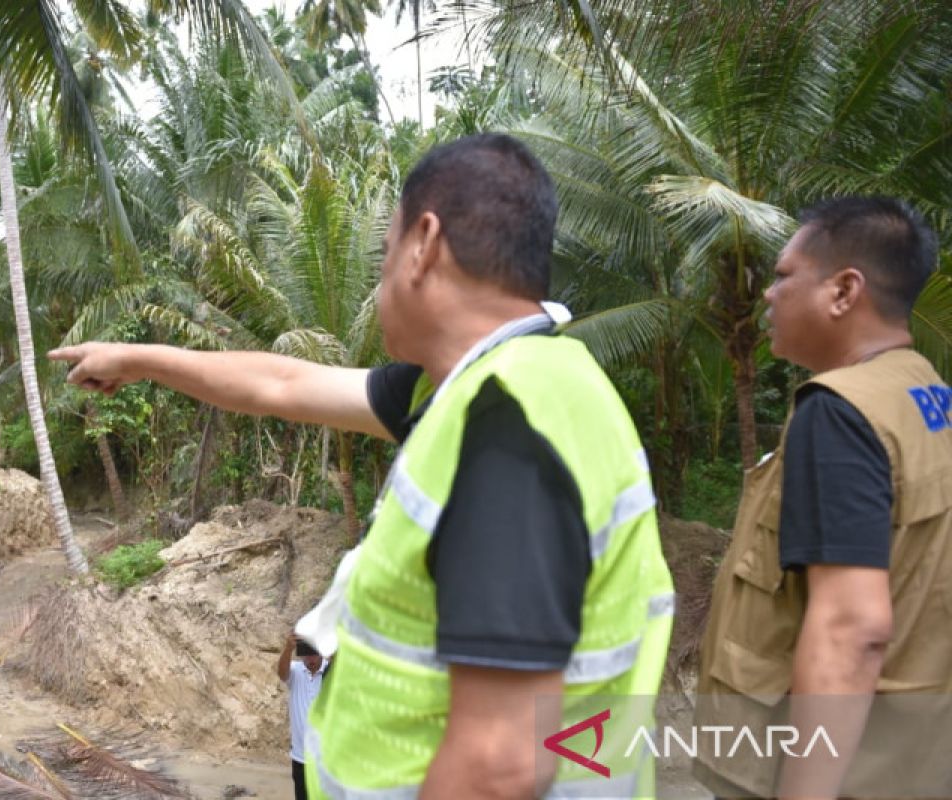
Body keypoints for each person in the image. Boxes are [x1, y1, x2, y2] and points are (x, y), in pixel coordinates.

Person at [49, 133, 674, 797]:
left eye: (383, 255)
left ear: (424, 244)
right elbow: (281, 384)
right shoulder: (495, 385)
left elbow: (501, 763)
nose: (377, 283)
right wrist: (138, 358)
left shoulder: (506, 426)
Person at [693, 196, 952, 799]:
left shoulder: (838, 412)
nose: (767, 294)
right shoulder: (928, 394)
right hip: (912, 761)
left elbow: (850, 627)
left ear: (844, 291)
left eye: (784, 276)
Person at [278, 632, 327, 800]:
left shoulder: (331, 671)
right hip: (300, 757)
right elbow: (281, 674)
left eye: (313, 653)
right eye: (306, 653)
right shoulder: (296, 670)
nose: (310, 659)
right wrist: (288, 648)